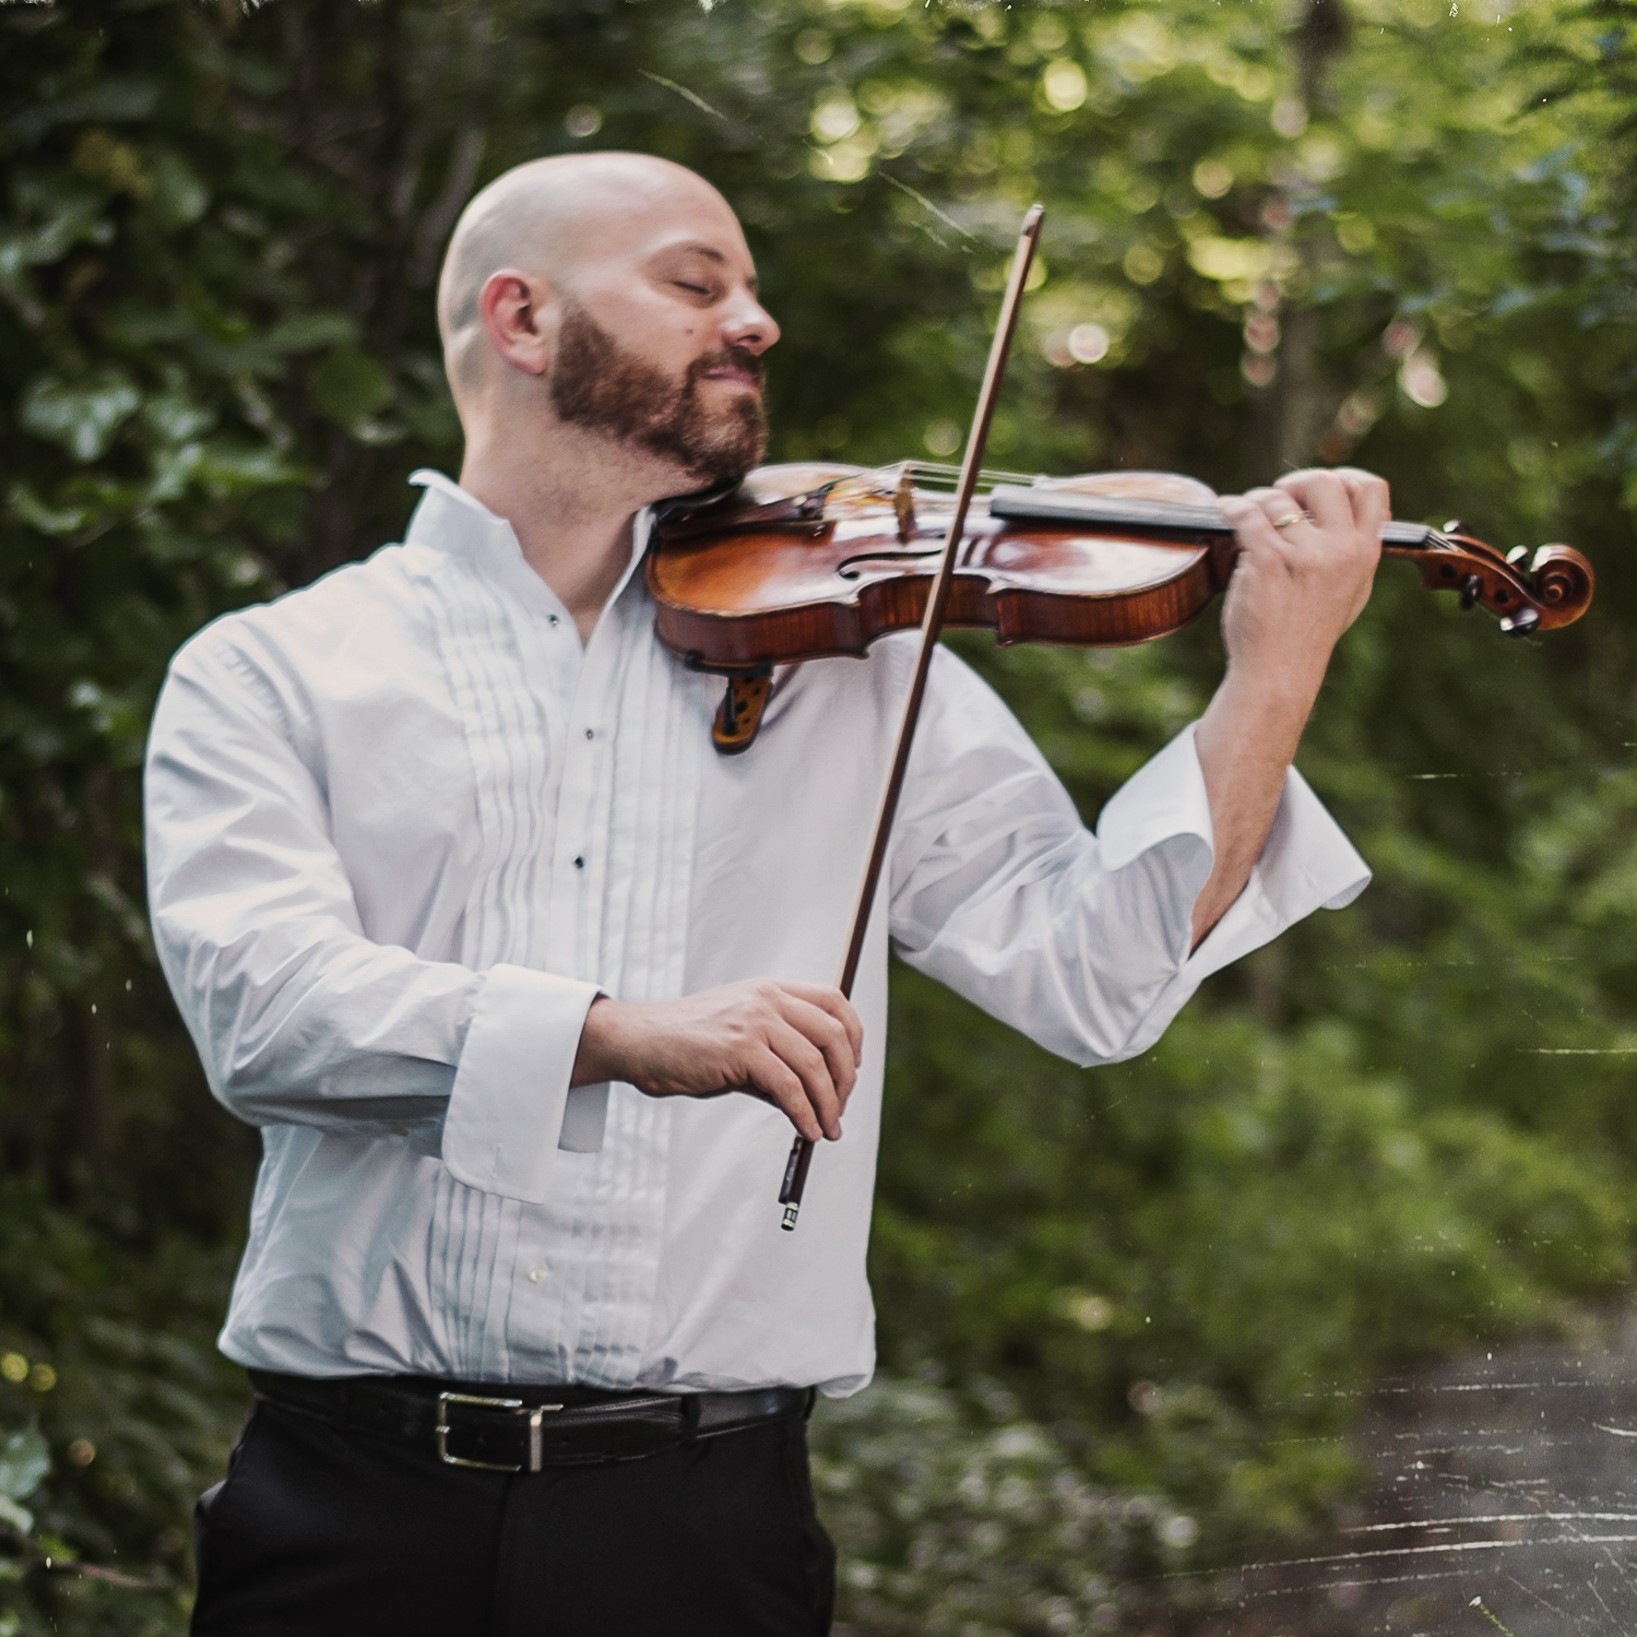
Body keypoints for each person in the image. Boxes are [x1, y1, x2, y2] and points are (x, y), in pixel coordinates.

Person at [145, 151, 1378, 1636]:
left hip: (703, 1530)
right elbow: (262, 1013)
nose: (756, 319)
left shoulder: (855, 661)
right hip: (348, 1516)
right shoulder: (272, 668)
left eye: (749, 285)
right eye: (693, 281)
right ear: (522, 320)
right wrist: (616, 1033)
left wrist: (1272, 676)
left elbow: (1094, 979)